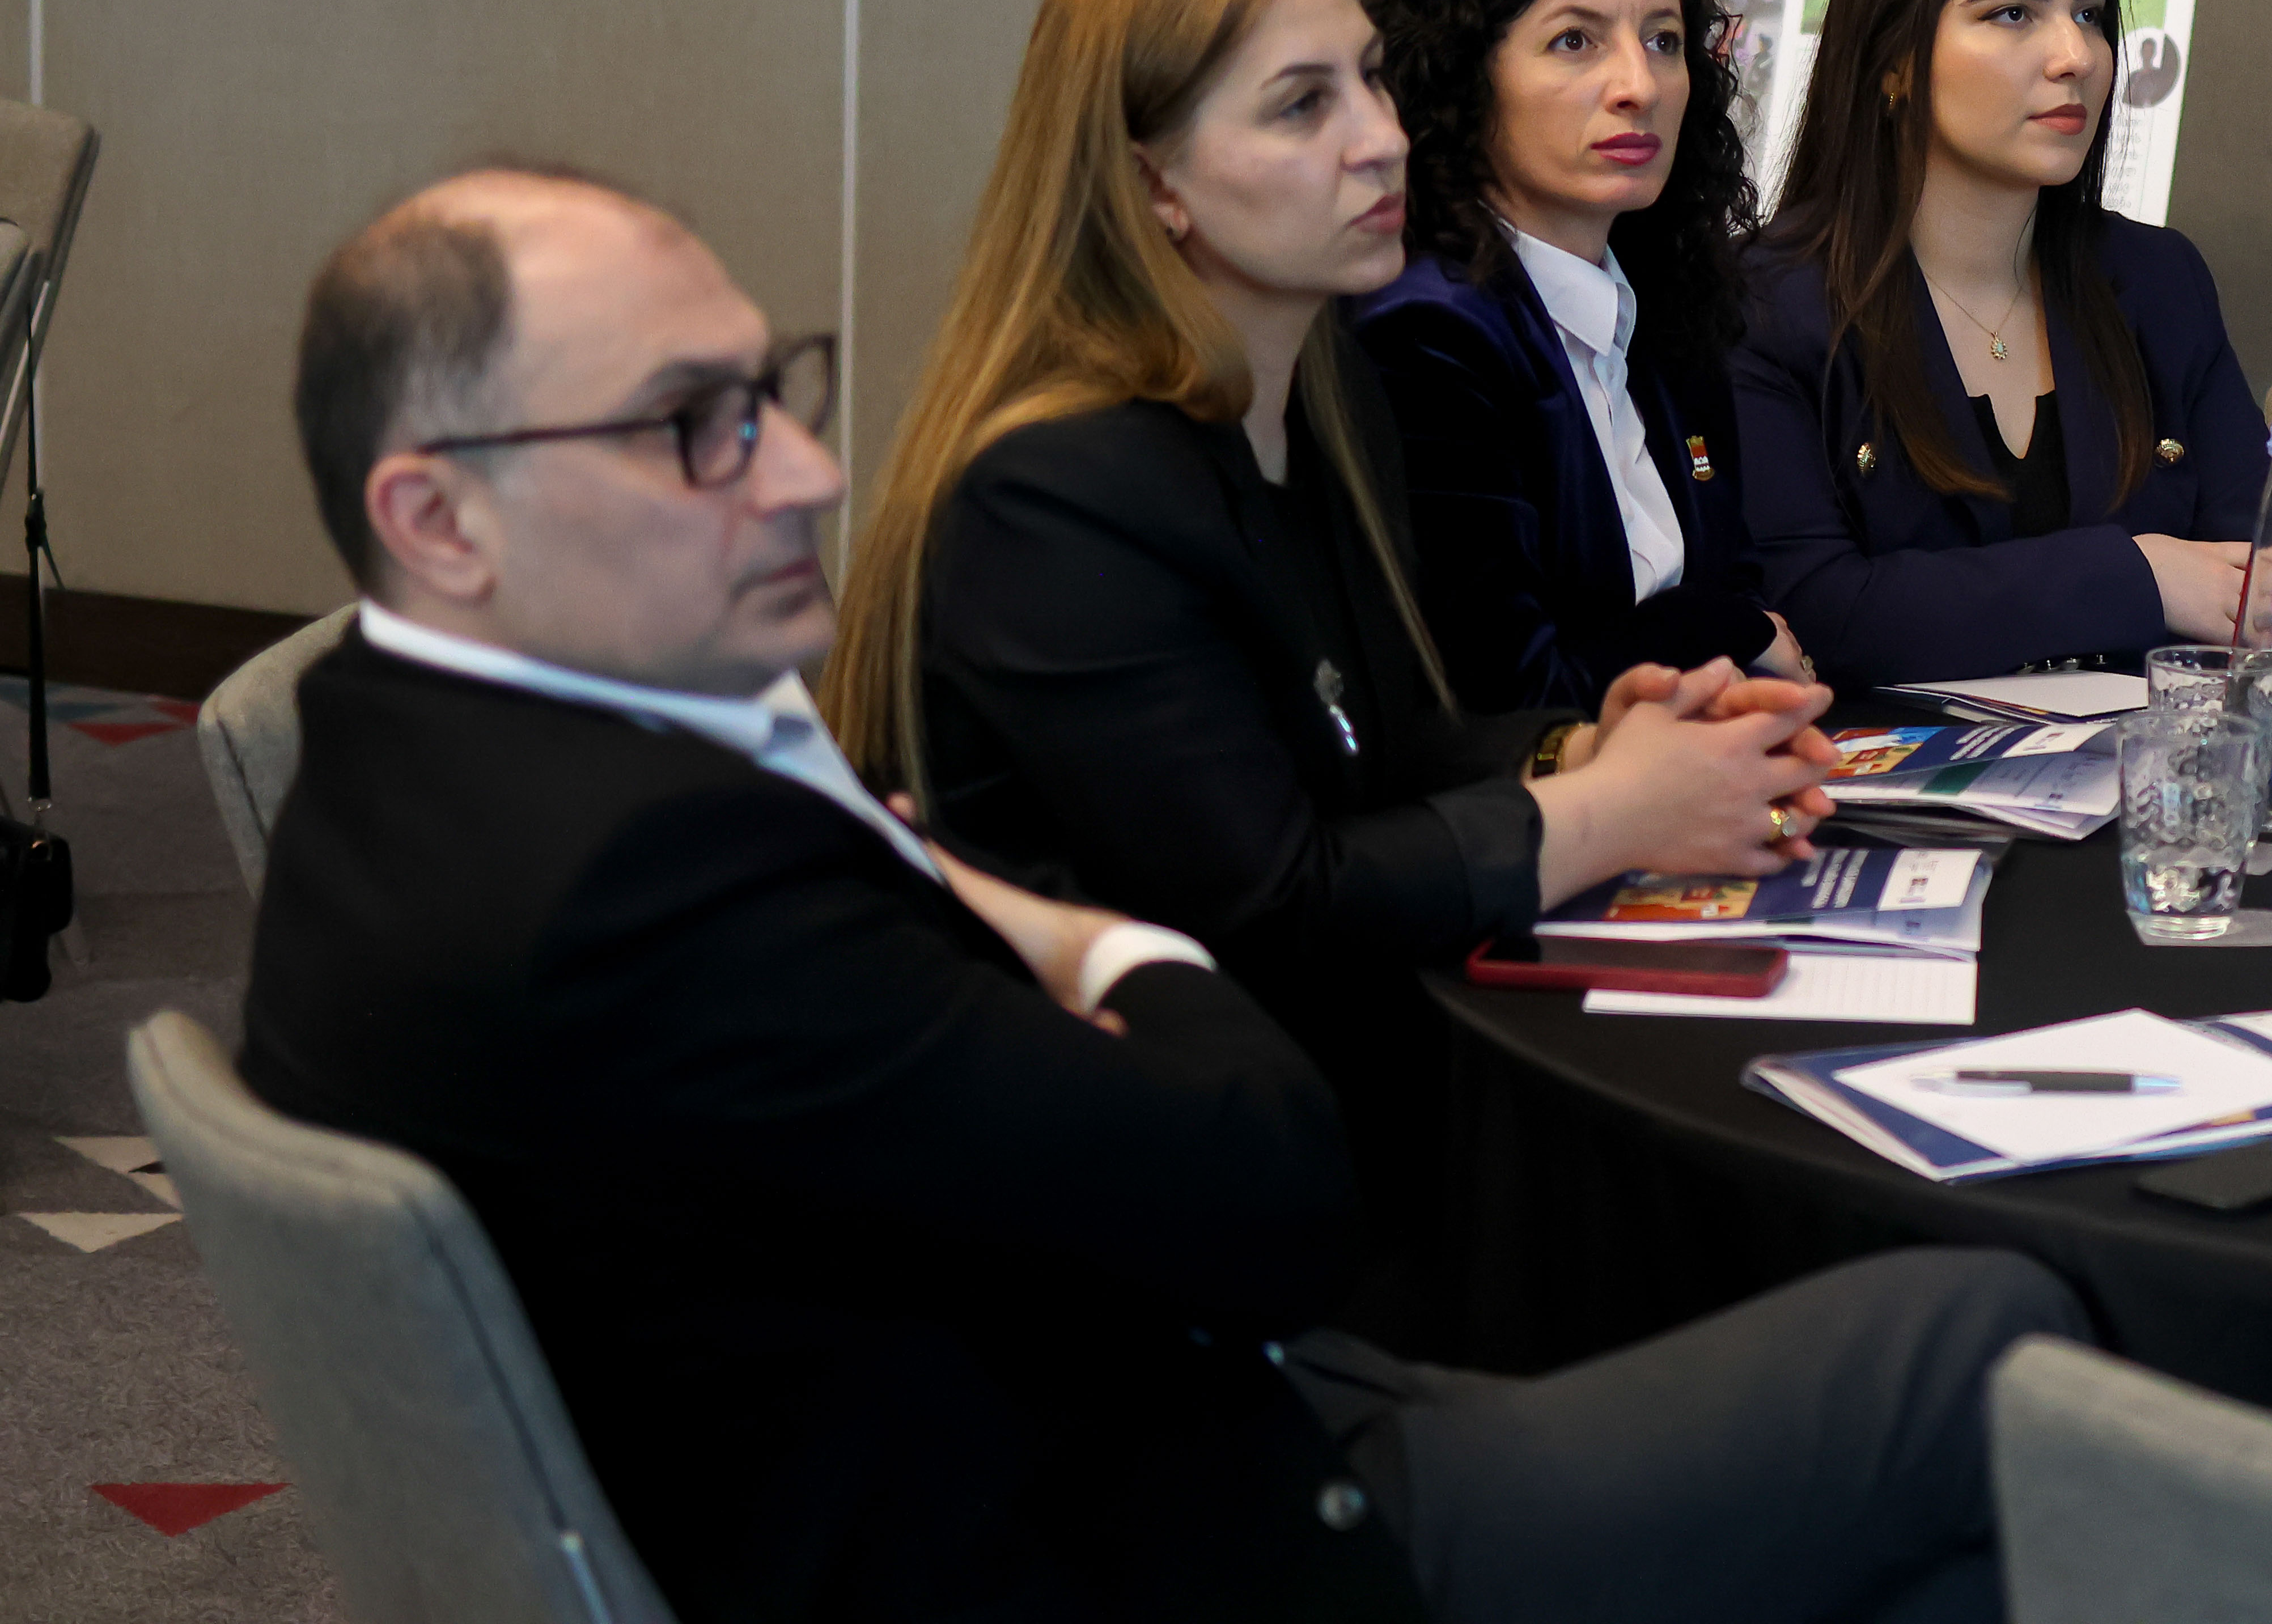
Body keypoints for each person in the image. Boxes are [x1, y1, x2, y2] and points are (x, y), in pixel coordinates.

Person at [243, 166, 2075, 1623]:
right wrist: (1074, 928)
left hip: (992, 1393)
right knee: (1989, 1332)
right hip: (1145, 1532)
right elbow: (1272, 1190)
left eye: (773, 392)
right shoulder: (661, 871)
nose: (805, 471)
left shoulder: (381, 754)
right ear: (437, 522)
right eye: (694, 426)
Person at [822, 0, 1838, 1301]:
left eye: (1368, 79)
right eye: (1303, 105)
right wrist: (1609, 810)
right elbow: (1271, 904)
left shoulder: (1314, 397)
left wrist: (1585, 741)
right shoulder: (1061, 489)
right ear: (1152, 183)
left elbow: (1375, 741)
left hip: (1339, 1121)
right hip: (1162, 1240)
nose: (1379, 138)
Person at [1730, 0, 2265, 685]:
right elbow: (1819, 611)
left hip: (2153, 755)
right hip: (1873, 766)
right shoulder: (1767, 305)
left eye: (2090, 16)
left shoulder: (2160, 279)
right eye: (2013, 14)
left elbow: (2257, 577)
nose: (2075, 56)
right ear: (1893, 60)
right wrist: (2138, 576)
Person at [1354, 0, 1803, 714]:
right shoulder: (1425, 330)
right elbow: (1506, 692)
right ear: (1465, 75)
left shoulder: (1668, 303)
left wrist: (1728, 636)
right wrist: (1722, 631)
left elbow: (1736, 580)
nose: (1638, 86)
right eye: (1575, 41)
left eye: (1663, 41)